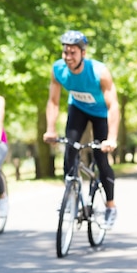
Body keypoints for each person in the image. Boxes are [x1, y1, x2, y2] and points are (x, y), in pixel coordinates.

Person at [43, 30, 120, 228]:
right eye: (65, 52)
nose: (68, 57)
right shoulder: (58, 69)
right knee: (70, 151)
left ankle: (110, 206)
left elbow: (113, 106)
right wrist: (50, 129)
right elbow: (53, 101)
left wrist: (111, 138)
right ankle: (70, 197)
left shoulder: (99, 72)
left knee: (101, 159)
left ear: (83, 53)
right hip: (77, 108)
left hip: (101, 113)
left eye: (73, 53)